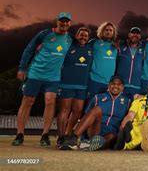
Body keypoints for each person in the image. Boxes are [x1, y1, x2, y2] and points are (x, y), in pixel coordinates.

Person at [12, 12, 73, 147]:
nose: (64, 23)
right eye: (62, 21)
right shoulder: (44, 34)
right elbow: (29, 50)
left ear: (70, 23)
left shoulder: (69, 39)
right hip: (35, 74)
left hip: (53, 77)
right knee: (28, 101)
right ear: (57, 21)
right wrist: (22, 68)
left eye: (67, 21)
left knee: (50, 102)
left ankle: (45, 135)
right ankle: (19, 134)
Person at [60, 76, 131, 151]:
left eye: (119, 84)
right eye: (113, 84)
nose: (116, 86)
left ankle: (90, 145)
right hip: (95, 130)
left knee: (112, 136)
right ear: (109, 85)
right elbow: (88, 116)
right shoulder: (98, 97)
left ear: (122, 87)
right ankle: (73, 138)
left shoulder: (127, 102)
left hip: (110, 133)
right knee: (97, 109)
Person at [56, 27, 93, 147]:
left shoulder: (90, 49)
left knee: (77, 111)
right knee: (65, 110)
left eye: (86, 36)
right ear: (76, 36)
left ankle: (67, 135)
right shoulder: (68, 47)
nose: (83, 37)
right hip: (66, 83)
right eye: (81, 35)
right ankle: (60, 137)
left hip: (82, 85)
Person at [114, 80, 148, 150]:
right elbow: (130, 115)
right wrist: (123, 125)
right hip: (137, 126)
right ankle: (127, 138)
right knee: (134, 131)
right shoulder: (138, 101)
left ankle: (123, 144)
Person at [87, 22, 118, 100]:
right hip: (94, 80)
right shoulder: (94, 42)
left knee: (101, 108)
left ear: (113, 33)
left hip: (108, 83)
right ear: (102, 31)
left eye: (111, 30)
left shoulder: (116, 46)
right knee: (90, 106)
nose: (108, 32)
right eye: (106, 30)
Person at [116, 27, 144, 100]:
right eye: (133, 33)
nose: (135, 35)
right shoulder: (120, 47)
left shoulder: (143, 49)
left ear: (140, 36)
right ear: (129, 35)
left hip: (136, 86)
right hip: (121, 84)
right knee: (120, 108)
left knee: (133, 109)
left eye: (137, 33)